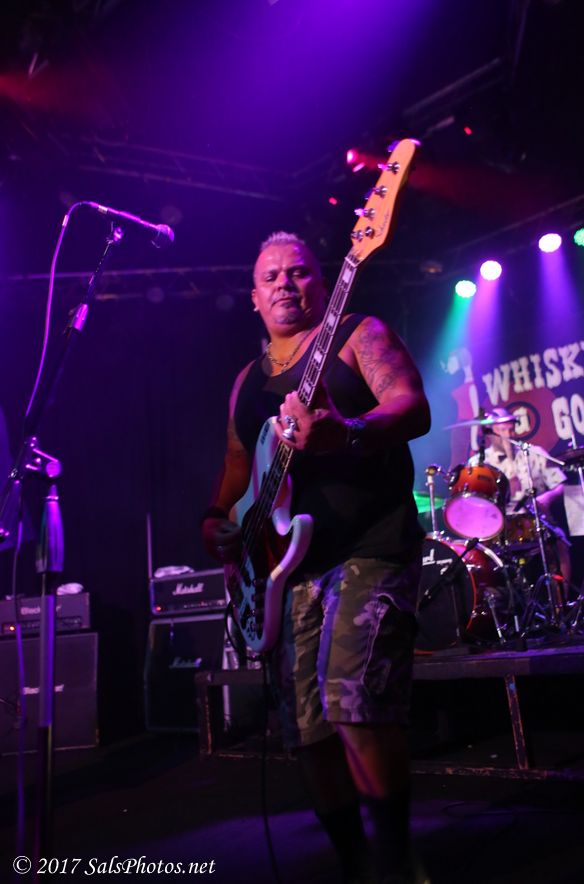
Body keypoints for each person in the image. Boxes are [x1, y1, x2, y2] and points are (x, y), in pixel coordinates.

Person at [201, 231, 431, 884]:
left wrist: (348, 433)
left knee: (354, 703)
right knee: (307, 730)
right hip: (284, 571)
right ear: (253, 296)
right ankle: (356, 865)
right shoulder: (246, 383)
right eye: (270, 276)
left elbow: (411, 406)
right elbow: (238, 464)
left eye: (298, 272)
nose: (285, 283)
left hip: (370, 545)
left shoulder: (358, 334)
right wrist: (215, 518)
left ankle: (398, 865)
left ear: (322, 284)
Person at [478, 407, 571, 591]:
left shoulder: (533, 453)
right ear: (490, 433)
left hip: (533, 517)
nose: (508, 434)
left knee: (559, 544)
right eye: (502, 430)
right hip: (499, 524)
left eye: (511, 429)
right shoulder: (480, 463)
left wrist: (546, 498)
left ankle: (561, 601)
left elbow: (559, 484)